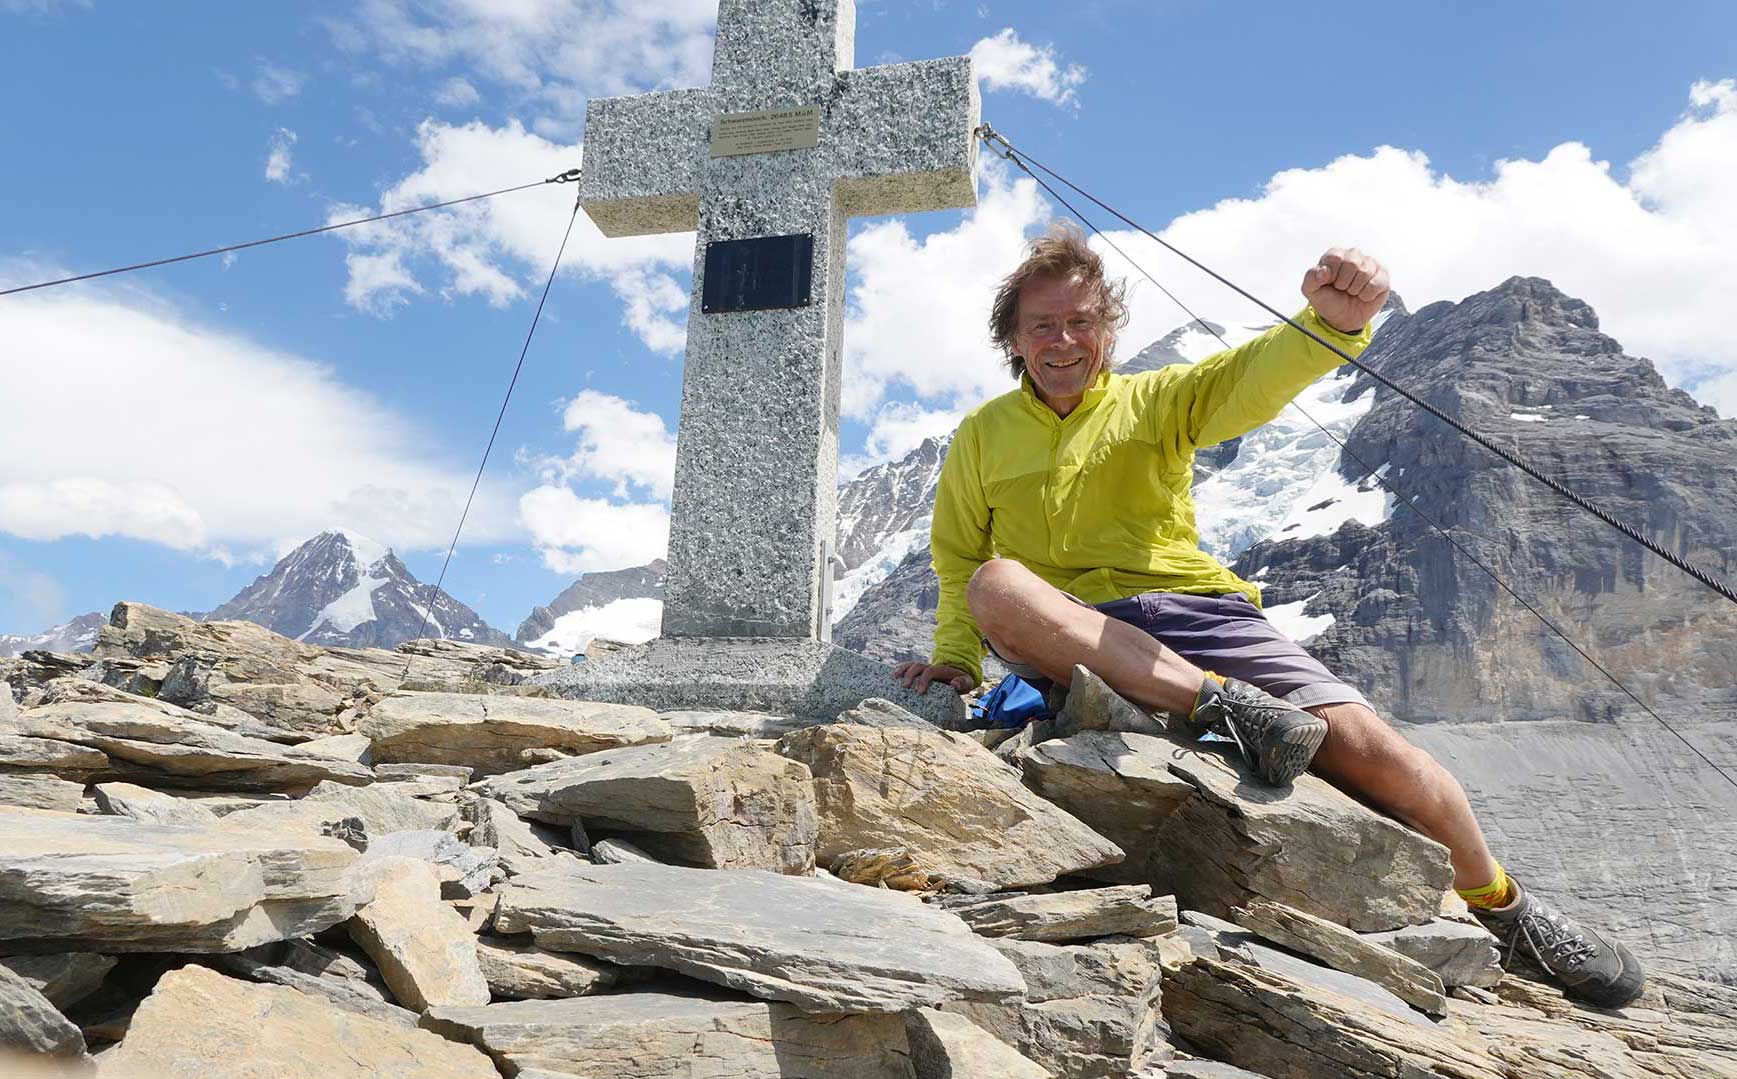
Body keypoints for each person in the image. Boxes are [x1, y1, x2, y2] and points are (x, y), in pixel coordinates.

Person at [892, 222, 1645, 1009]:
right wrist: (958, 662)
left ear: (1107, 330)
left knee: (1374, 751)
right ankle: (1223, 707)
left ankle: (1506, 908)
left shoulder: (1157, 397)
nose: (1062, 339)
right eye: (1041, 324)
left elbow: (1252, 375)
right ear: (1012, 339)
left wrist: (1333, 322)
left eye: (1081, 320)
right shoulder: (982, 433)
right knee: (995, 584)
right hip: (1073, 624)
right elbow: (955, 561)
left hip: (1196, 611)